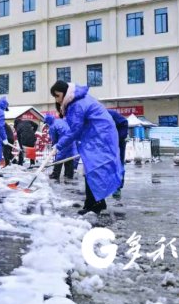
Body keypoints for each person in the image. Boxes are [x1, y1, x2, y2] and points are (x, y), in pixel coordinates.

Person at [49, 81, 123, 216]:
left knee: (93, 170)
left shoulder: (76, 105)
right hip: (98, 135)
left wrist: (58, 146)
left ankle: (94, 205)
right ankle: (96, 202)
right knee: (93, 170)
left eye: (57, 96)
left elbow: (75, 131)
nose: (57, 99)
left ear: (65, 93)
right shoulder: (77, 100)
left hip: (99, 137)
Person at [45, 113, 77, 182]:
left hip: (63, 141)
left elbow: (54, 138)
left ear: (48, 121)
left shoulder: (52, 126)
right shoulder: (60, 120)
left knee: (59, 157)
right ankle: (69, 174)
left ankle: (55, 174)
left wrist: (54, 147)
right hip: (71, 139)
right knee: (69, 157)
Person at [107, 109, 129, 199]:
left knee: (118, 164)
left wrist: (118, 138)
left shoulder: (109, 114)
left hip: (118, 143)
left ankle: (117, 188)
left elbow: (124, 122)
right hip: (105, 142)